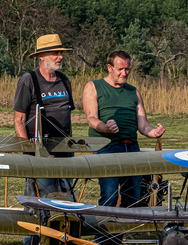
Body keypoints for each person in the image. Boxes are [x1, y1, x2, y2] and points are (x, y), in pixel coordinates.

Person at [78, 50, 166, 208]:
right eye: (120, 69)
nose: (124, 73)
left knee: (133, 197)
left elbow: (143, 124)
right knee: (109, 195)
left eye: (127, 69)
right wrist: (105, 127)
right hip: (106, 148)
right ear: (109, 67)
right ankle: (104, 233)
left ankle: (125, 231)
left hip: (131, 147)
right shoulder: (93, 86)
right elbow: (91, 118)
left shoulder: (134, 92)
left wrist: (154, 132)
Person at [11, 34, 78, 204]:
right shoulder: (29, 80)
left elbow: (68, 116)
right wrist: (29, 152)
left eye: (61, 53)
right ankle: (34, 231)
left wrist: (69, 145)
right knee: (40, 199)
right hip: (39, 150)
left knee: (65, 196)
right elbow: (19, 120)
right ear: (41, 56)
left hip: (64, 150)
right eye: (55, 52)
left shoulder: (64, 80)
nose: (60, 57)